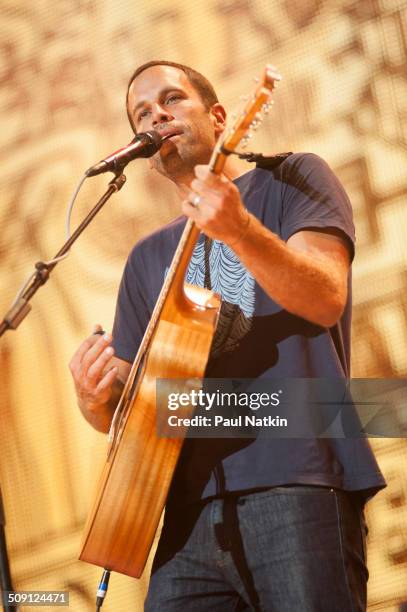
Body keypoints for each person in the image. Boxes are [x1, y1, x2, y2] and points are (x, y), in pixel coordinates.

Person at [69, 60, 386, 611]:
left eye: (173, 100)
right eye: (142, 113)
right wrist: (93, 397)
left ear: (219, 118)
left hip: (299, 479)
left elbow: (325, 295)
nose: (157, 115)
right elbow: (126, 411)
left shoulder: (293, 179)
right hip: (185, 518)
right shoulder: (146, 258)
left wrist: (239, 230)